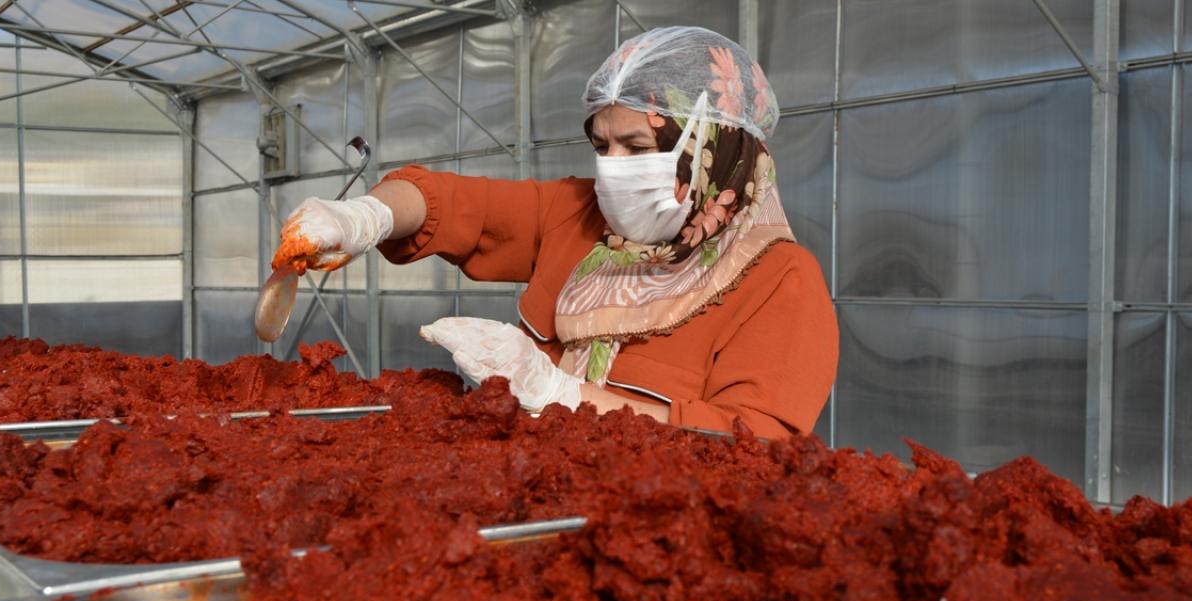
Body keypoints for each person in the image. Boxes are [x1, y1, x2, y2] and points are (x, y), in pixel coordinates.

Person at [270, 26, 838, 439]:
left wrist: (563, 395)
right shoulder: (578, 213)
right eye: (602, 146)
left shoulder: (778, 279)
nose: (612, 168)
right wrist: (365, 217)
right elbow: (447, 201)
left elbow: (758, 444)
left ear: (715, 150)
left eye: (637, 147)